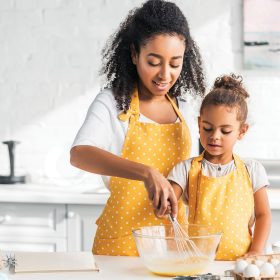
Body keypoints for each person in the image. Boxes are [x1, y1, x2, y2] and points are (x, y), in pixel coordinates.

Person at [70, 0, 205, 256]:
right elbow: (79, 154)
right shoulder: (112, 102)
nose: (165, 74)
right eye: (154, 62)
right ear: (134, 54)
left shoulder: (185, 109)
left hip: (174, 243)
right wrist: (146, 173)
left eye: (175, 63)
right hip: (121, 245)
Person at [167, 74, 271, 260]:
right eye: (208, 128)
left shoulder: (252, 170)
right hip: (197, 263)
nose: (215, 136)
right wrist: (165, 204)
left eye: (225, 130)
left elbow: (263, 215)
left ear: (242, 131)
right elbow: (168, 203)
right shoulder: (185, 169)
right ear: (199, 124)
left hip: (240, 264)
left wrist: (255, 251)